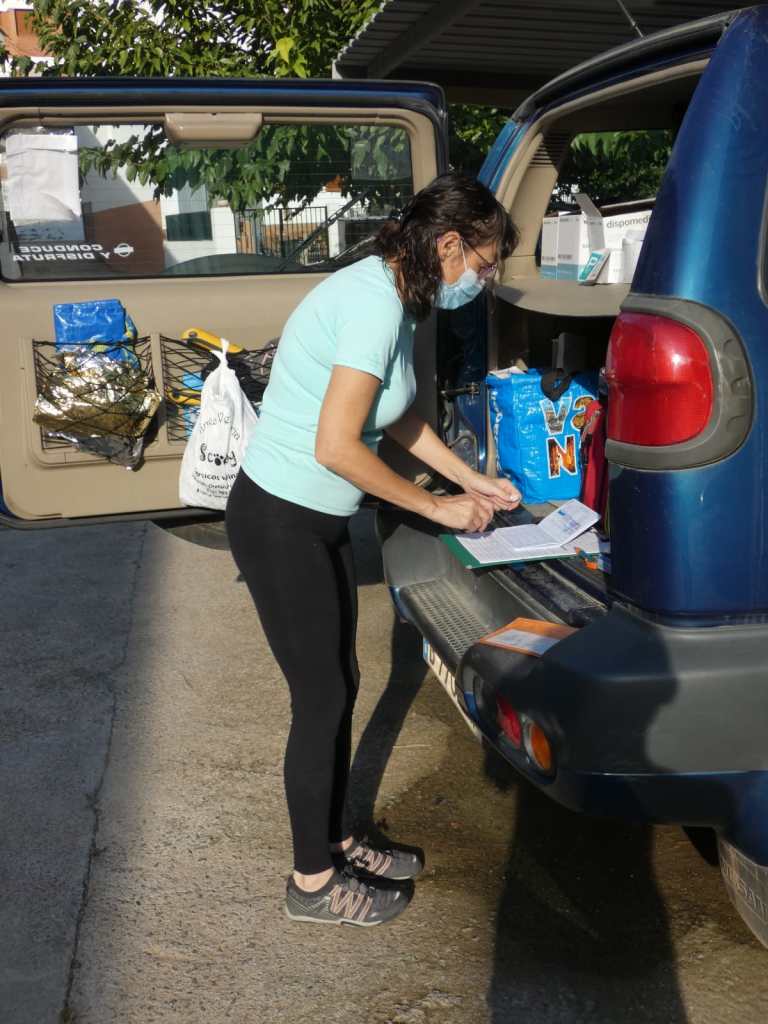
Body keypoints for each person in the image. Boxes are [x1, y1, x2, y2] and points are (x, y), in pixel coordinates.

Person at [226, 172, 521, 927]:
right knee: (320, 698)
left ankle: (337, 838)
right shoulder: (373, 304)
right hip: (281, 521)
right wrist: (436, 506)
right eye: (484, 265)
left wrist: (473, 482)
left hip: (314, 521)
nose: (483, 282)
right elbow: (336, 446)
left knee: (341, 683)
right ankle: (312, 883)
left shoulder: (395, 294)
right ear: (449, 244)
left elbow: (397, 417)